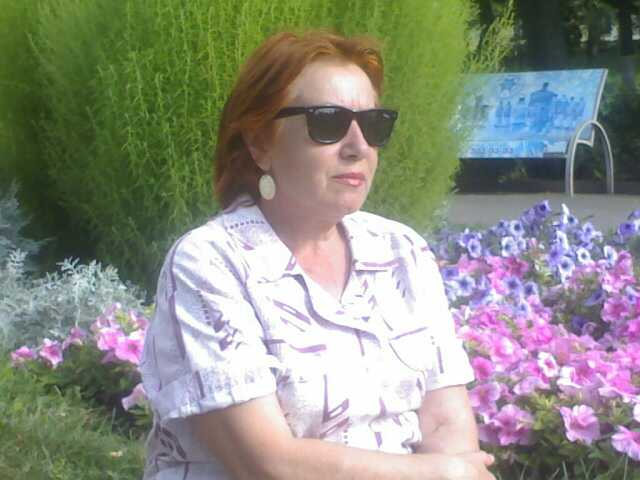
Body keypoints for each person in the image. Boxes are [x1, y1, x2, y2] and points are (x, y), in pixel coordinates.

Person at [140, 30, 495, 480]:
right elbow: (268, 464)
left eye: (374, 125)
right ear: (259, 142)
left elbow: (445, 422)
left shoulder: (402, 251)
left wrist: (452, 469)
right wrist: (441, 475)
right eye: (328, 123)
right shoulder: (211, 263)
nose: (358, 147)